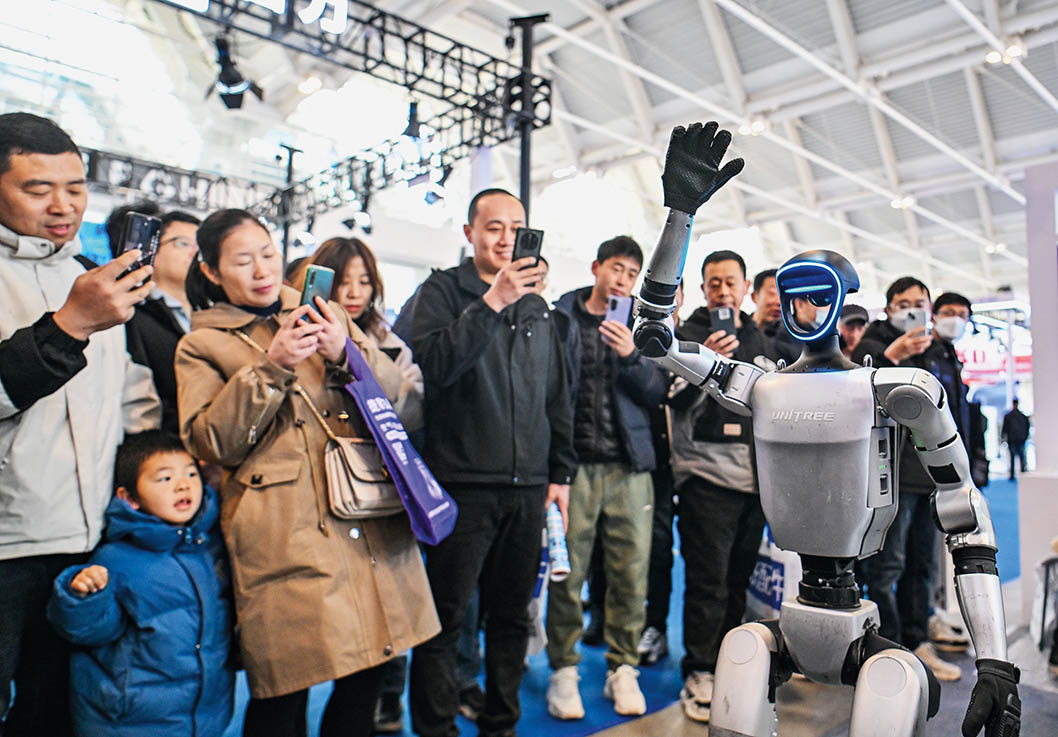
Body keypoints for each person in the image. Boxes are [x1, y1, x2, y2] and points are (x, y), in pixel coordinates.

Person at [174, 208, 437, 737]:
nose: (261, 270)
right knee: (284, 689)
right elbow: (212, 442)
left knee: (368, 676)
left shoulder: (325, 314)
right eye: (242, 261)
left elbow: (403, 408)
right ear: (211, 271)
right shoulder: (201, 345)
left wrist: (347, 353)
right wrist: (271, 366)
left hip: (367, 515)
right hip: (285, 534)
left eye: (267, 253)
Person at [0, 112, 160, 736]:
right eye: (37, 189)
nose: (62, 206)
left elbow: (127, 401)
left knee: (58, 710)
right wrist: (67, 327)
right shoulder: (84, 297)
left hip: (87, 538)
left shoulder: (91, 277)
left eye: (75, 187)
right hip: (8, 545)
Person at [408, 188, 576, 737]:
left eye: (516, 227)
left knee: (512, 616)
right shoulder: (441, 291)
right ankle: (436, 728)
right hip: (461, 484)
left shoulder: (538, 306)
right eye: (493, 227)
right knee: (445, 618)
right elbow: (433, 366)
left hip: (528, 487)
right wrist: (492, 301)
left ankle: (501, 723)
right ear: (470, 233)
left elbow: (557, 394)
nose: (506, 238)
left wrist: (560, 474)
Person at [545, 236, 667, 719]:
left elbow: (658, 390)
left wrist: (632, 355)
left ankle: (624, 667)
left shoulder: (643, 324)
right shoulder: (561, 317)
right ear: (596, 267)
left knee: (630, 573)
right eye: (617, 268)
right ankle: (563, 669)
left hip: (629, 467)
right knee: (567, 573)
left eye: (632, 274)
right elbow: (548, 388)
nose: (623, 280)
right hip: (571, 468)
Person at [308, 235, 425, 732]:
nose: (354, 292)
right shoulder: (297, 333)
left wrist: (362, 358)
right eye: (343, 280)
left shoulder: (391, 343)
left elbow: (413, 410)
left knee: (383, 621)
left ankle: (386, 698)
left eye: (364, 281)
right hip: (318, 495)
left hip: (378, 492)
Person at [46, 431, 234, 737]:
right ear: (129, 498)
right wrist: (82, 597)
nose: (183, 484)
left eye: (190, 473)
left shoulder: (210, 546)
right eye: (165, 478)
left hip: (204, 715)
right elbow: (90, 631)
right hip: (132, 721)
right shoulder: (116, 558)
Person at [668, 250, 777, 723]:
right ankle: (698, 670)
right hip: (706, 478)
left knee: (738, 581)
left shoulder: (761, 338)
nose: (723, 291)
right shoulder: (687, 335)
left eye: (731, 282)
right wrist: (706, 363)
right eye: (714, 283)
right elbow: (671, 399)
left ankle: (730, 662)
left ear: (746, 287)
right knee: (706, 581)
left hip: (756, 483)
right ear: (703, 288)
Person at [852, 277, 963, 682]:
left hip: (931, 475)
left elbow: (953, 412)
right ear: (889, 309)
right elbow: (859, 391)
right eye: (904, 303)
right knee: (887, 568)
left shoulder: (939, 351)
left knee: (923, 566)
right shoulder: (872, 344)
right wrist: (892, 356)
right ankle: (889, 646)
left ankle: (917, 642)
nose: (913, 310)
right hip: (890, 477)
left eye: (920, 303)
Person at [637, 282, 683, 666]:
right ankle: (611, 618)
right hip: (640, 460)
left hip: (679, 464)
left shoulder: (692, 339)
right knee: (627, 548)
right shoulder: (633, 336)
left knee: (660, 548)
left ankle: (656, 626)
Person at [125, 210, 202, 434]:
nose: (194, 253)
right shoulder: (132, 312)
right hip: (160, 438)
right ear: (152, 252)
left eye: (200, 247)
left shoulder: (213, 314)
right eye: (183, 243)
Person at [751, 268, 798, 364]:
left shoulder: (793, 335)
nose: (778, 302)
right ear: (755, 296)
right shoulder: (740, 331)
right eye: (772, 293)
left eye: (784, 296)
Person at [1001, 398, 1031, 480]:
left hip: (1014, 439)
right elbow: (1027, 427)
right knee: (1021, 456)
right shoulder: (1022, 416)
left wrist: (1003, 437)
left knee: (1014, 457)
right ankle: (1022, 473)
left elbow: (1005, 428)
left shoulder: (1009, 416)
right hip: (1018, 439)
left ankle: (1013, 474)